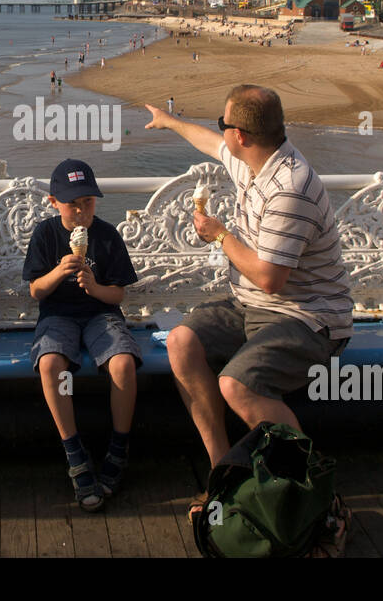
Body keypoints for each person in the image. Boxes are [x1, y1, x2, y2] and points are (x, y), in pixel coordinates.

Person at [144, 87, 353, 520]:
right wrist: (169, 122)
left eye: (225, 125)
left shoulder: (290, 188)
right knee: (181, 342)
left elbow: (269, 278)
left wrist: (220, 235)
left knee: (236, 385)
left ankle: (313, 490)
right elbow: (209, 142)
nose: (222, 134)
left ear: (242, 134)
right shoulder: (251, 160)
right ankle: (225, 477)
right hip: (250, 304)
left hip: (308, 316)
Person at [22, 159, 140, 511]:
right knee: (51, 365)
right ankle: (74, 450)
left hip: (101, 314)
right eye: (72, 203)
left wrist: (95, 287)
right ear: (53, 201)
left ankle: (119, 446)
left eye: (87, 202)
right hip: (58, 315)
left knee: (122, 363)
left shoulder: (106, 235)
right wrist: (59, 272)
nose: (80, 210)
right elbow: (36, 292)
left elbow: (118, 294)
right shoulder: (46, 234)